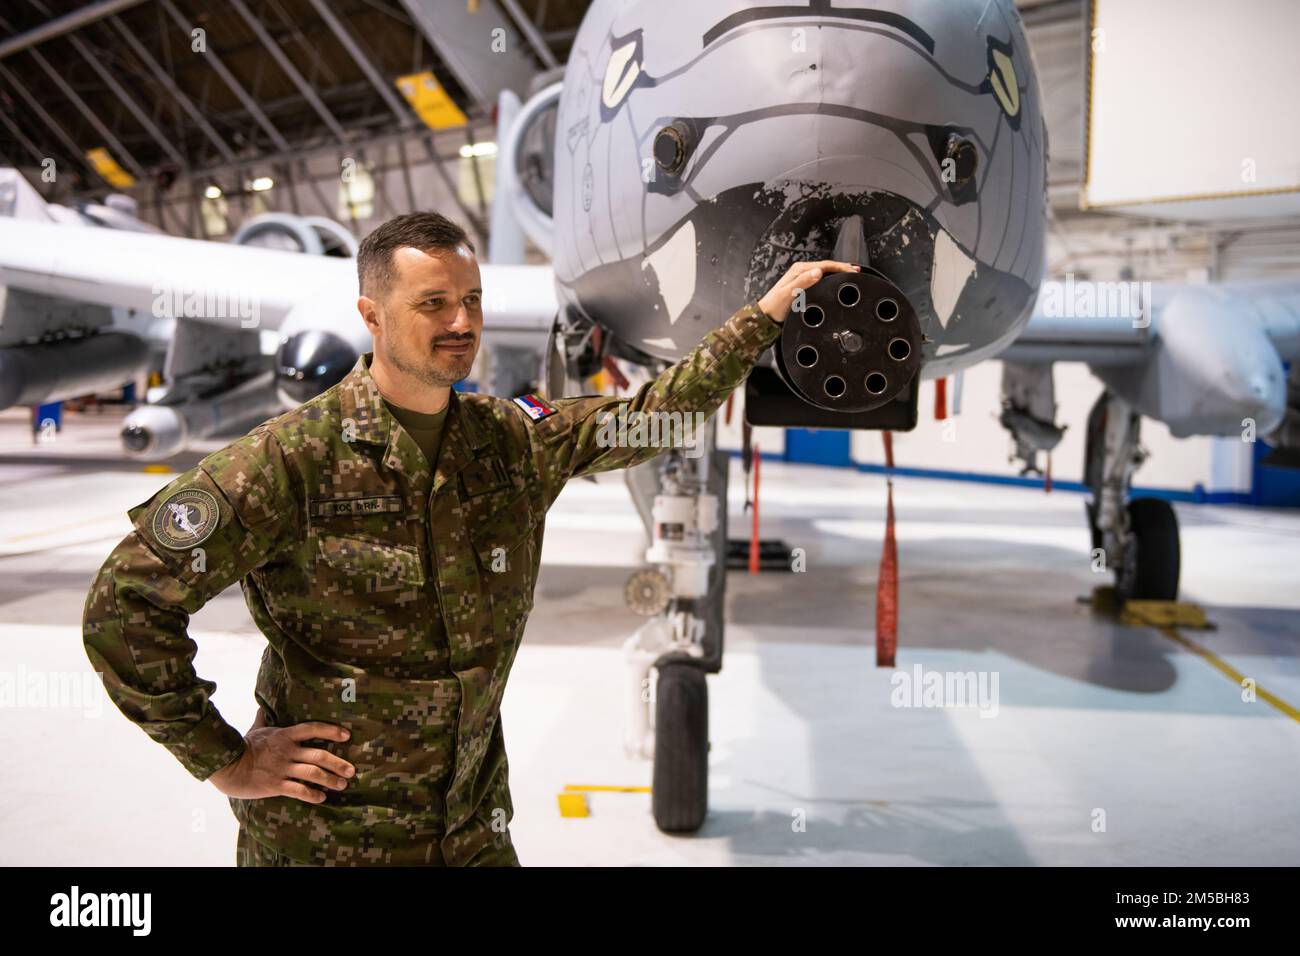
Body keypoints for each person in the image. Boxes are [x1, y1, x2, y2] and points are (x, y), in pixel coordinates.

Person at [82, 210, 860, 866]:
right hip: (327, 841)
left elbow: (653, 415)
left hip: (473, 832)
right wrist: (226, 760)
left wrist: (760, 321)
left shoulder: (511, 439)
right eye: (432, 304)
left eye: (472, 300)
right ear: (372, 314)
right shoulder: (290, 460)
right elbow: (124, 606)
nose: (461, 323)